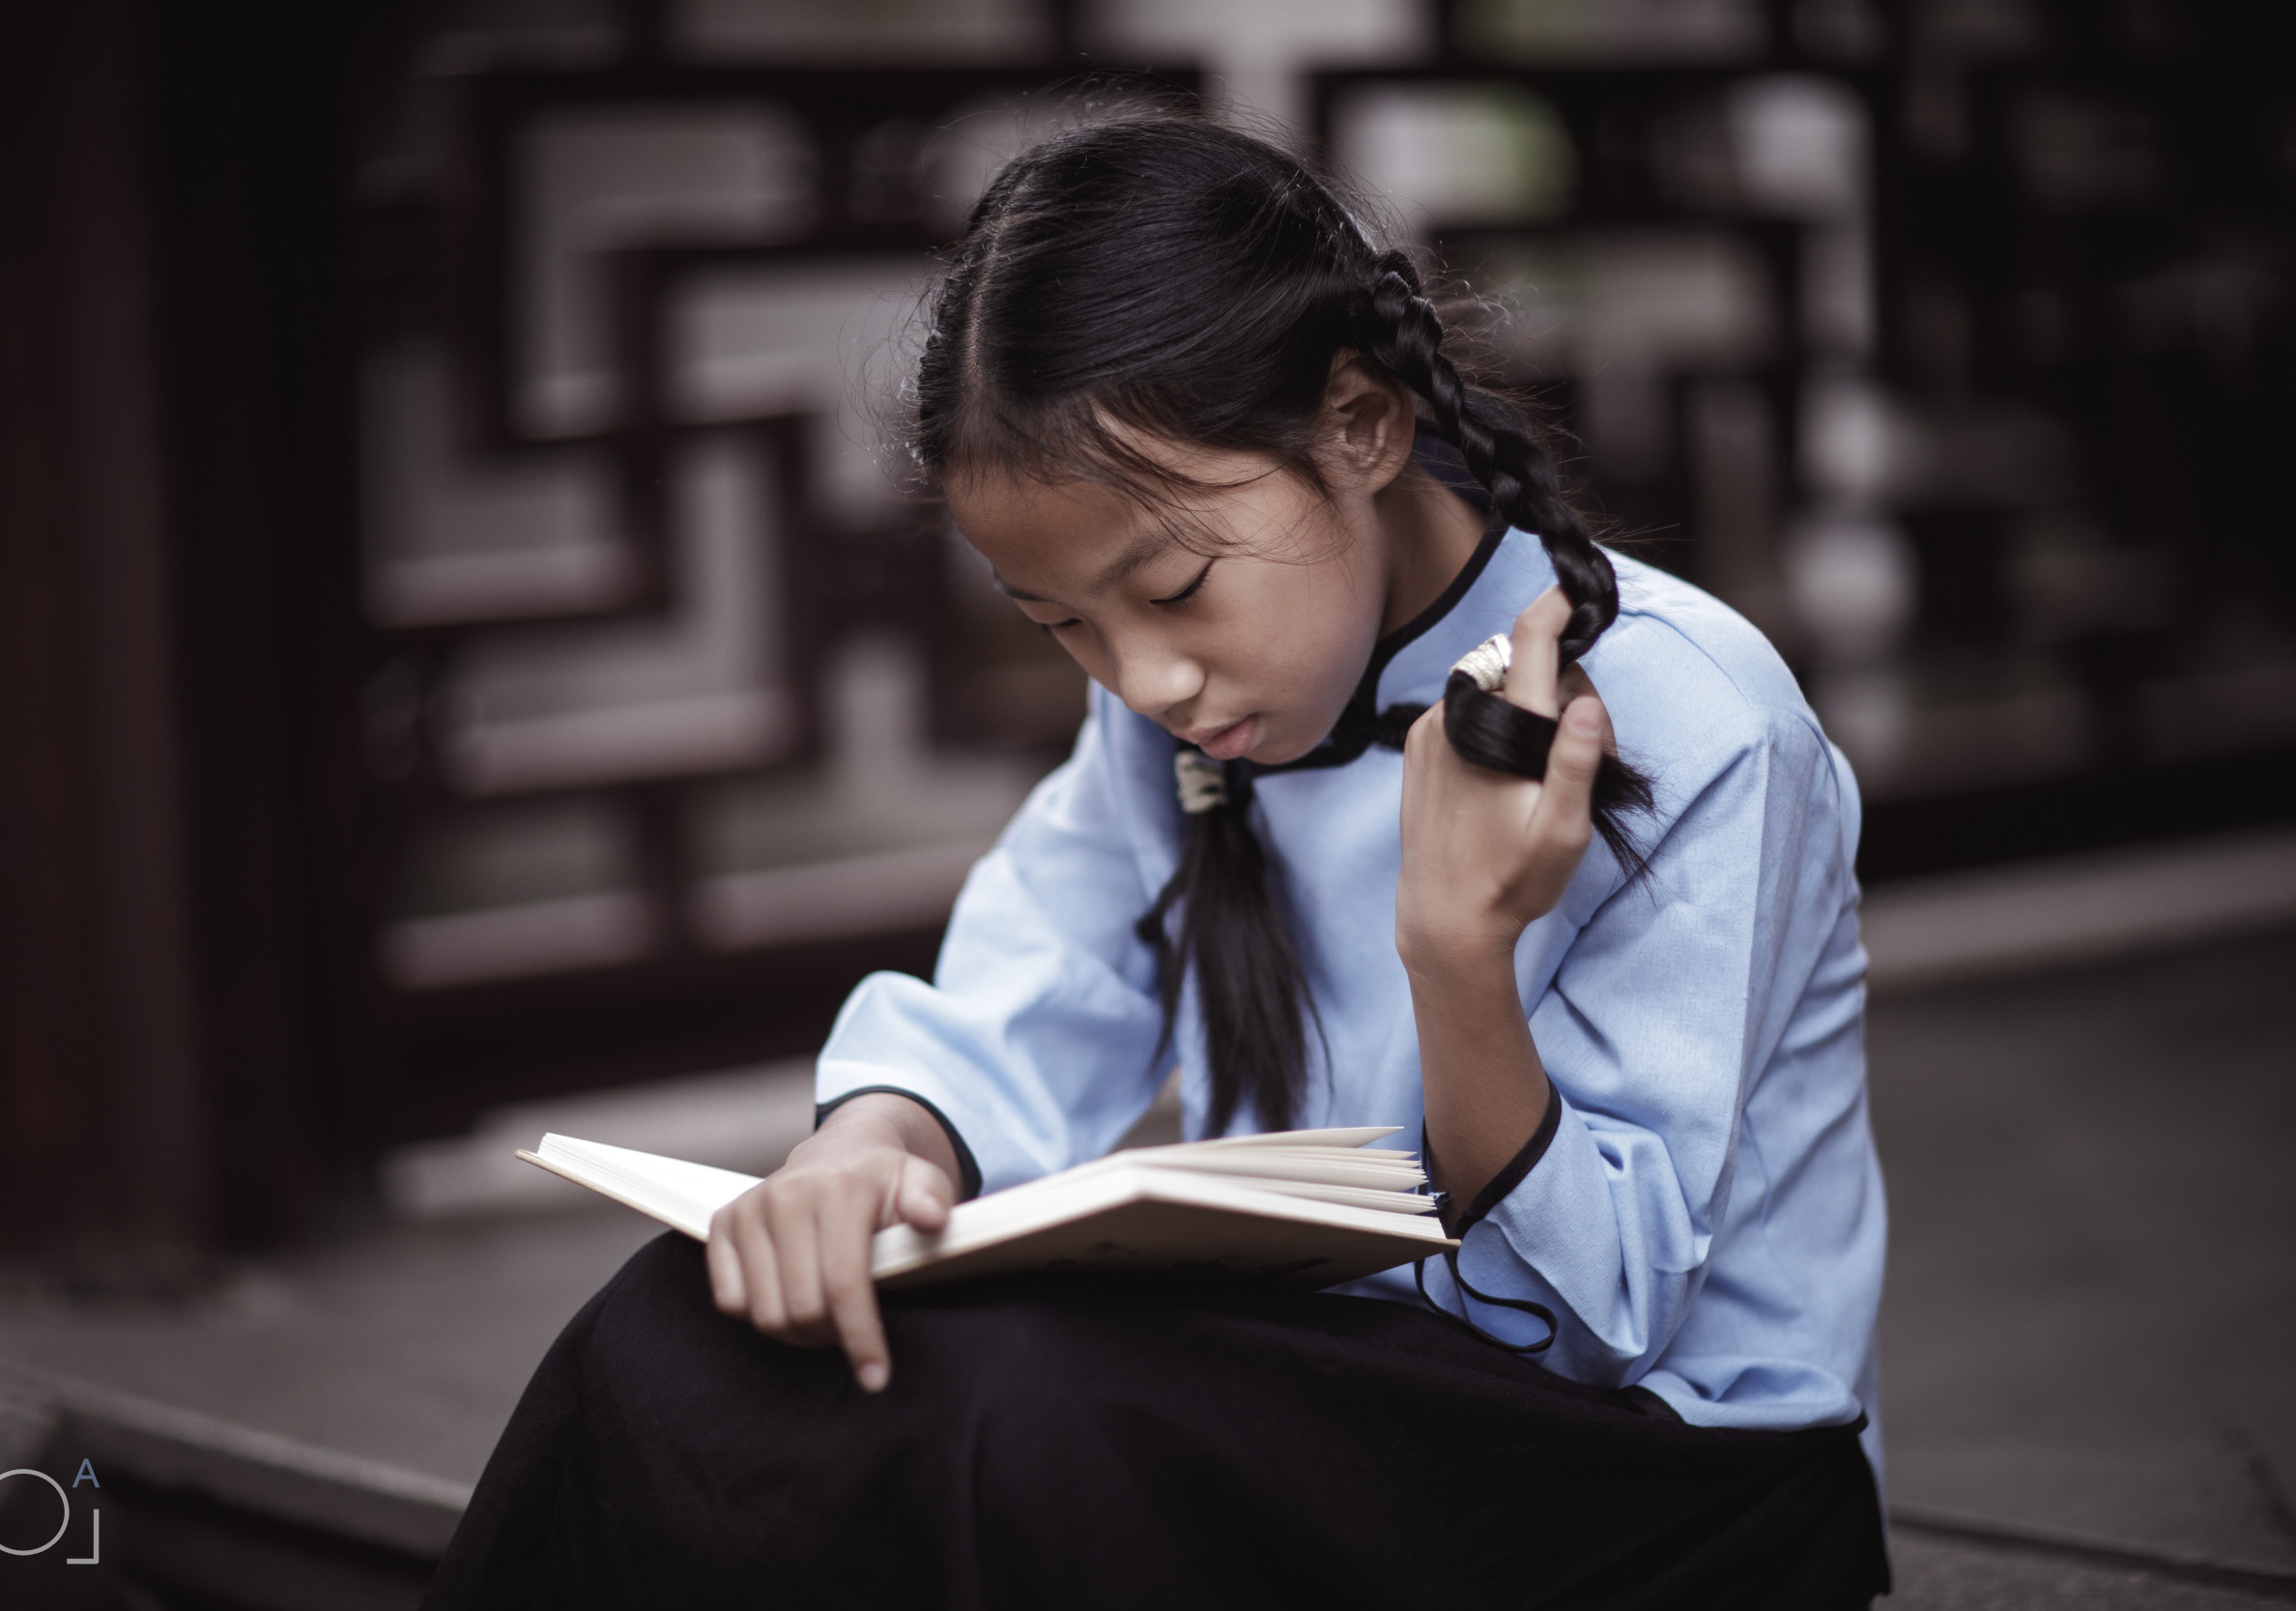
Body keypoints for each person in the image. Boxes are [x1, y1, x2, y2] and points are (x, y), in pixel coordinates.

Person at [425, 116, 1891, 1609]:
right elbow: (1032, 972)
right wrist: (869, 1152)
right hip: (1330, 1381)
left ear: (1360, 424)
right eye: (1064, 625)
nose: (1145, 680)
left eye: (1176, 588)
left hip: (1673, 1473)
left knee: (1042, 1415)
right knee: (686, 1327)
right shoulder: (1193, 716)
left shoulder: (1690, 720)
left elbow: (1596, 1322)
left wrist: (1458, 956)